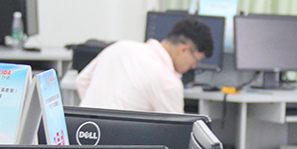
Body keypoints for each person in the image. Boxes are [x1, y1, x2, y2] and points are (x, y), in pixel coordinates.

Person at [75, 17, 213, 113]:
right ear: (183, 49)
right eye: (196, 60)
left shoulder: (121, 46)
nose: (193, 66)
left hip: (85, 135)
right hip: (123, 143)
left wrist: (97, 114)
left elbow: (82, 81)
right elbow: (176, 132)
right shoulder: (168, 82)